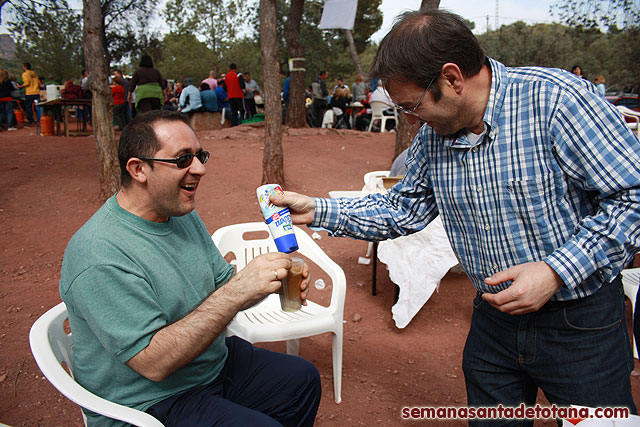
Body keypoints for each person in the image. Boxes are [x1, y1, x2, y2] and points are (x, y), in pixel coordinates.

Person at [273, 9, 640, 425]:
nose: (411, 119)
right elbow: (403, 208)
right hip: (492, 319)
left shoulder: (556, 101)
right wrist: (318, 209)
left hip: (579, 320)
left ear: (452, 78)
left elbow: (633, 194)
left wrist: (556, 271)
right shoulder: (433, 137)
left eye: (412, 106)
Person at [59, 110, 322, 426]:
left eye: (200, 156)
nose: (200, 169)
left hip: (206, 364)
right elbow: (153, 363)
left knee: (302, 379)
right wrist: (238, 291)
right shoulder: (100, 254)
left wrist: (267, 281)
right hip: (148, 400)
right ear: (138, 168)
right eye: (182, 159)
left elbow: (224, 285)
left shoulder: (180, 215)